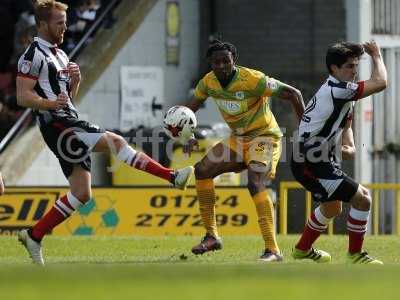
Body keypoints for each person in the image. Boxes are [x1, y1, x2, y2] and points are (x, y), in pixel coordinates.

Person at [16, 0, 193, 265]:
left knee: (82, 193)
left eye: (65, 21)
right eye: (59, 22)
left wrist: (75, 83)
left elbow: (67, 99)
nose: (65, 26)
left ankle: (34, 235)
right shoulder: (32, 56)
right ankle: (171, 176)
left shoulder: (61, 55)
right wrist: (49, 104)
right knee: (116, 141)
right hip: (56, 124)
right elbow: (22, 96)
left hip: (67, 118)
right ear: (42, 24)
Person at [184, 40, 305, 262]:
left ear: (234, 61)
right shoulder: (208, 83)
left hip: (264, 137)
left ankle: (273, 250)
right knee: (202, 170)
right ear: (210, 63)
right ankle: (211, 237)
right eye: (216, 62)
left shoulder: (253, 79)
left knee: (255, 183)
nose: (221, 66)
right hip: (238, 140)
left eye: (225, 61)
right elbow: (188, 109)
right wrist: (188, 135)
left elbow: (294, 94)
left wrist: (306, 131)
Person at [290, 41, 387, 264]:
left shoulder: (341, 91)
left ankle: (302, 249)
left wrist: (350, 145)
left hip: (316, 157)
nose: (354, 71)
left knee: (333, 207)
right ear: (334, 68)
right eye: (349, 67)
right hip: (310, 159)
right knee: (363, 199)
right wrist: (377, 56)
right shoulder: (338, 90)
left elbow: (346, 127)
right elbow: (381, 82)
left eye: (355, 66)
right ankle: (355, 255)